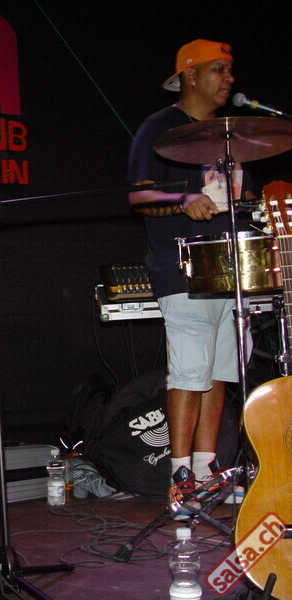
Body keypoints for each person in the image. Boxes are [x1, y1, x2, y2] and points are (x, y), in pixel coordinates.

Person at [127, 40, 251, 513]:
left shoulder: (230, 135)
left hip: (229, 268)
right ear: (191, 75)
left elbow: (241, 198)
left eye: (231, 70)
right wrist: (183, 201)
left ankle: (206, 470)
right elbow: (138, 196)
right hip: (182, 269)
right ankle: (180, 478)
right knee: (189, 373)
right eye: (219, 69)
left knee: (218, 372)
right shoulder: (159, 127)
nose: (229, 79)